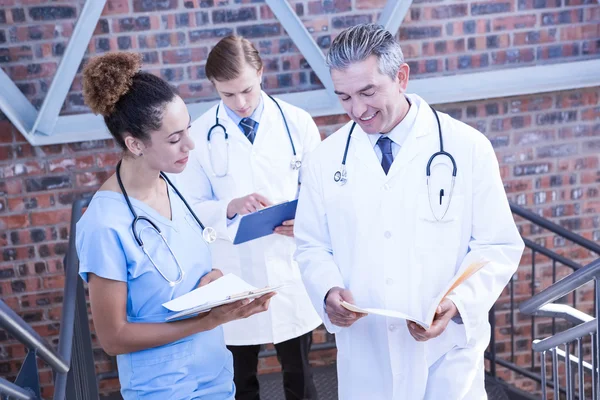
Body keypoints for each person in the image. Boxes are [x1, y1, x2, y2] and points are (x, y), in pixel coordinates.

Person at [294, 24, 525, 399]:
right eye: (344, 97)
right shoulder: (324, 160)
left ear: (401, 77)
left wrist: (458, 303)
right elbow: (311, 245)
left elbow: (498, 245)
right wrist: (328, 290)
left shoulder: (466, 148)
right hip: (366, 358)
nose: (357, 110)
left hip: (446, 355)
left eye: (368, 92)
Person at [76, 52, 275, 400]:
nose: (190, 145)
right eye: (174, 139)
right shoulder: (105, 224)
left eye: (188, 130)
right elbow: (113, 337)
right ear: (135, 144)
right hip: (162, 389)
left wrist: (216, 284)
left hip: (214, 378)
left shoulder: (175, 188)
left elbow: (180, 276)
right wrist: (207, 321)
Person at [176, 35, 322, 400]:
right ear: (213, 87)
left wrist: (305, 216)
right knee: (240, 382)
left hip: (289, 267)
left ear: (260, 72)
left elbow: (322, 195)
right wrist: (229, 206)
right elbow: (188, 205)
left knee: (300, 378)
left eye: (247, 90)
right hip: (233, 271)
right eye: (227, 95)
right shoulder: (199, 135)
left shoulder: (297, 123)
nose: (239, 103)